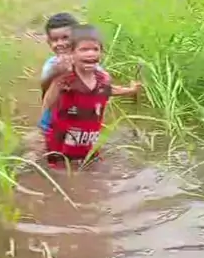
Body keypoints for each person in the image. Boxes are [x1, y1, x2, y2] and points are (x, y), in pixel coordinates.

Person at [44, 24, 141, 167]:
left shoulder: (103, 79)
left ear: (101, 52)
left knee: (94, 170)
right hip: (60, 150)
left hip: (89, 147)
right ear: (71, 54)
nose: (90, 54)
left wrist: (130, 90)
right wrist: (57, 79)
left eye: (95, 49)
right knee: (62, 173)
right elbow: (47, 103)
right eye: (84, 49)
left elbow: (108, 90)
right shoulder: (66, 80)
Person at [38, 12, 79, 134]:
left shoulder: (88, 61)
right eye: (55, 40)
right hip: (53, 120)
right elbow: (44, 88)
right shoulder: (52, 63)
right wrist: (56, 72)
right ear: (48, 42)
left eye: (65, 38)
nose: (60, 43)